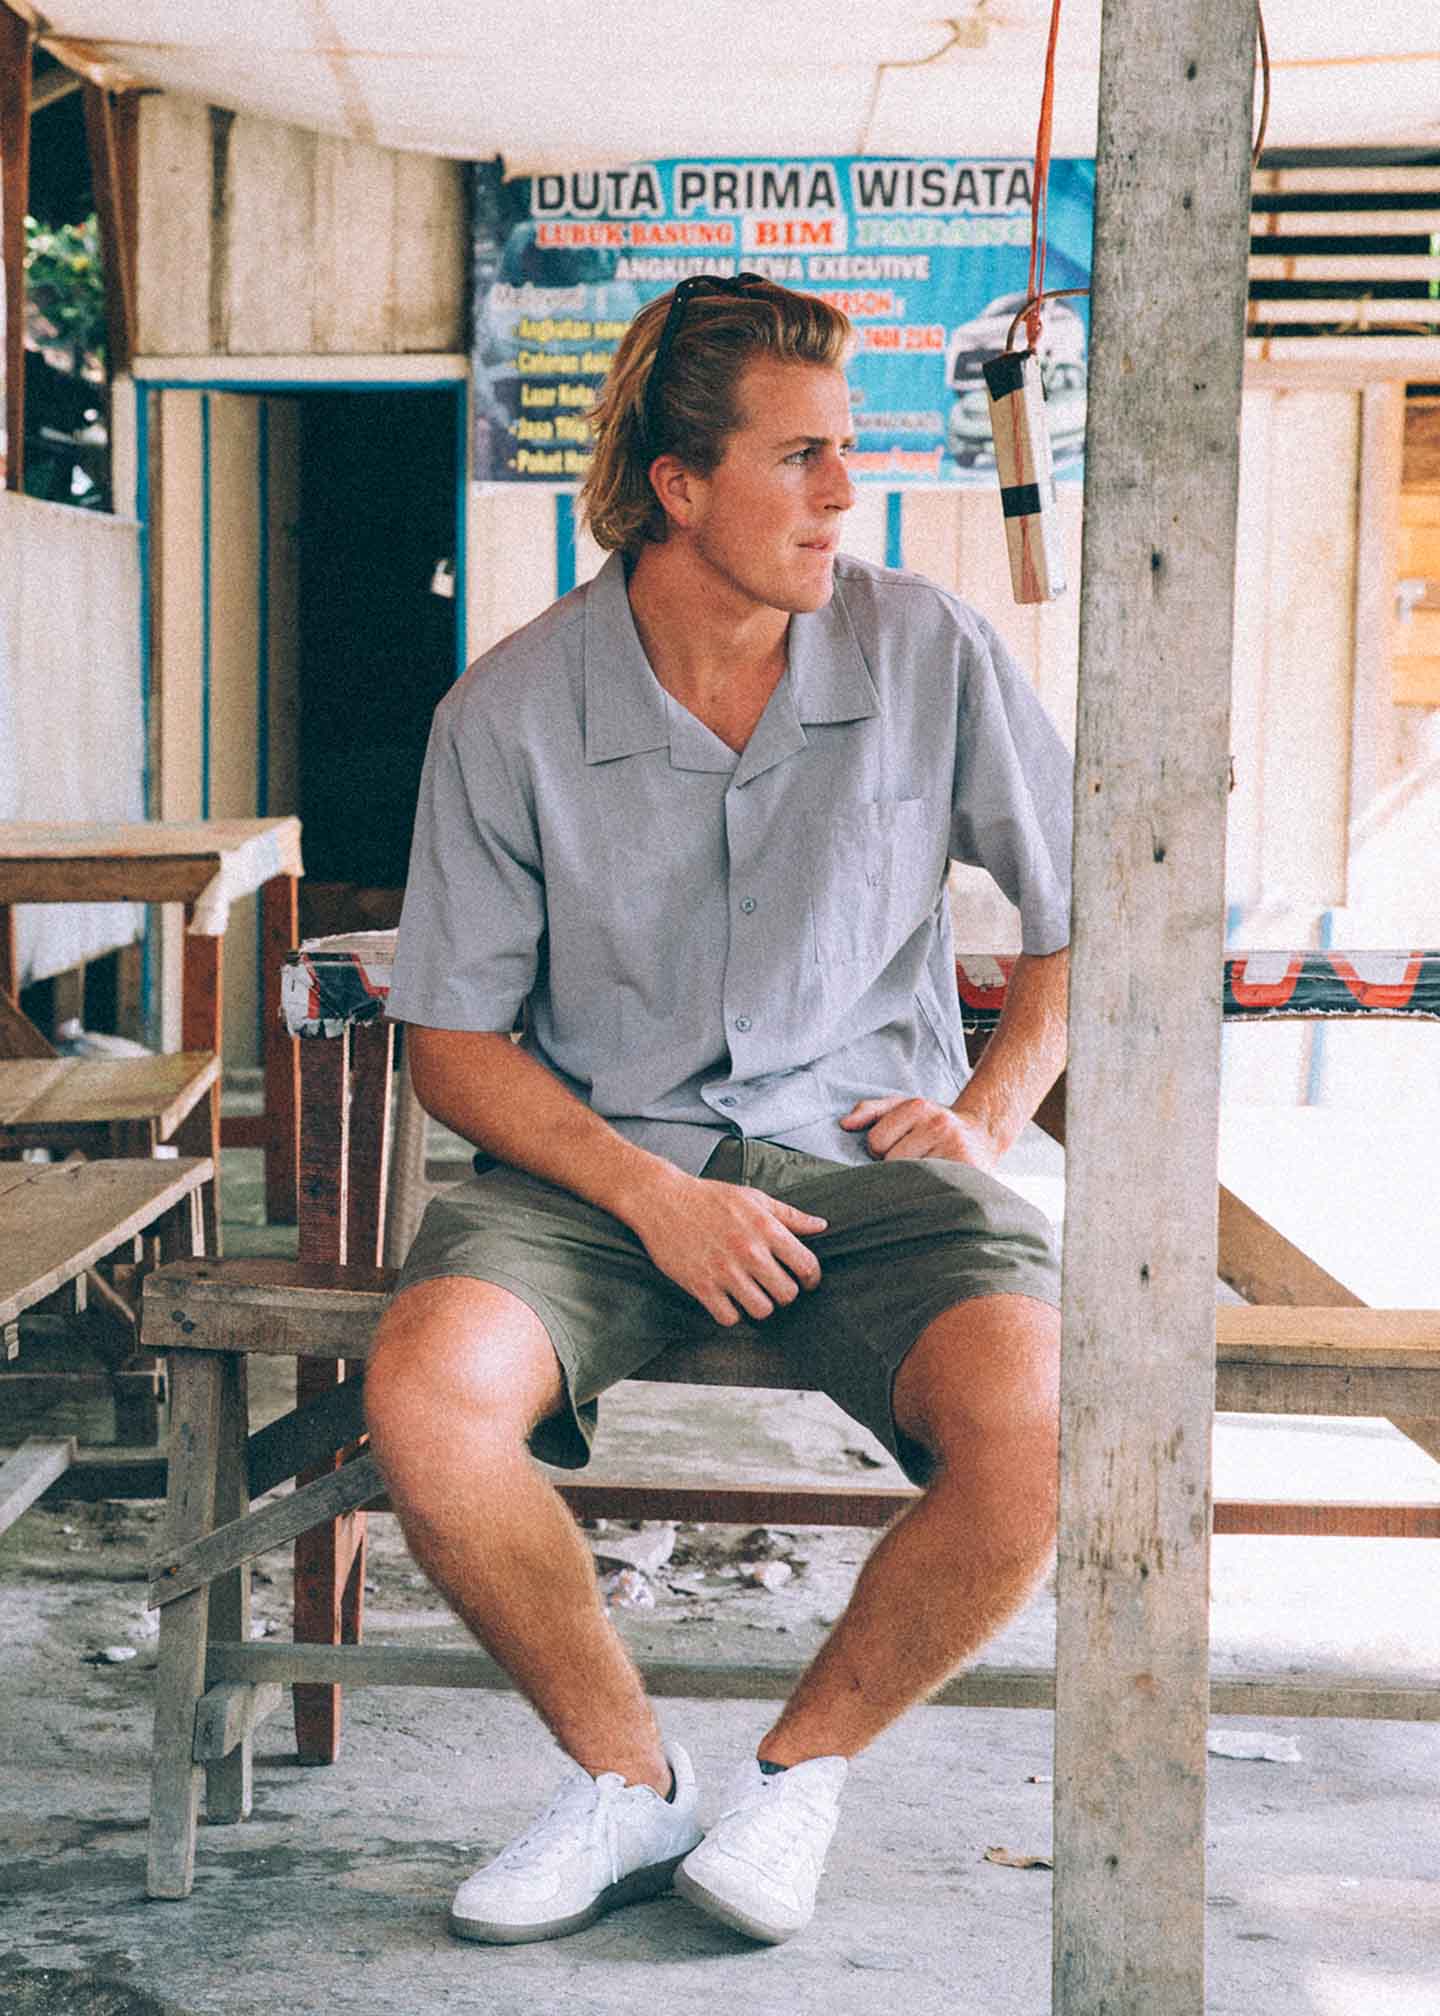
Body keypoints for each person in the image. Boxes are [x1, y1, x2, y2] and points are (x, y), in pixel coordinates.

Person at [365, 273, 1073, 1950]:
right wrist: (653, 1196)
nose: (845, 489)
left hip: (865, 1162)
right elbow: (453, 1045)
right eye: (801, 455)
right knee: (427, 1397)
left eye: (849, 448)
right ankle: (628, 1785)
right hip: (601, 1171)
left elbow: (1089, 907)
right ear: (679, 484)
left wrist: (991, 1111)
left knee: (1049, 1425)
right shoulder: (508, 709)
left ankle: (793, 1781)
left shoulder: (929, 649)